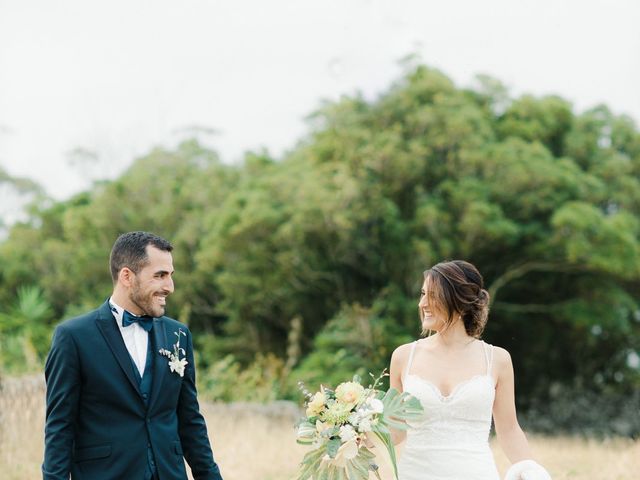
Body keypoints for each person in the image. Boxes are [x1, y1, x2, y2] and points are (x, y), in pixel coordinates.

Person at [42, 231, 224, 480]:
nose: (169, 287)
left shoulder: (178, 335)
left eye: (171, 275)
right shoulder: (73, 337)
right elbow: (59, 427)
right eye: (160, 275)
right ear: (127, 276)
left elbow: (190, 419)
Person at [389, 260, 551, 480]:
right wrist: (357, 433)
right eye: (422, 294)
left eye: (433, 295)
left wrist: (530, 470)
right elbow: (397, 430)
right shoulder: (403, 357)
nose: (422, 304)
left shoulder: (497, 359)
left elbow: (509, 430)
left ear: (460, 301)